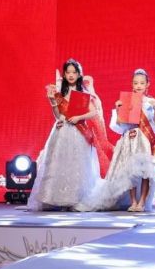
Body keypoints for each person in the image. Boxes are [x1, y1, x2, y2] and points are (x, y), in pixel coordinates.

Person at [77, 69, 155, 212]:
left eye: (142, 83)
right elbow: (118, 126)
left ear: (147, 84)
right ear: (132, 84)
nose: (138, 85)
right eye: (135, 83)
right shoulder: (126, 101)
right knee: (129, 172)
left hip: (145, 140)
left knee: (145, 172)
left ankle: (142, 202)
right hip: (129, 140)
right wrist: (119, 110)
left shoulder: (150, 102)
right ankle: (133, 201)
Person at [28, 59, 103, 211]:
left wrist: (79, 117)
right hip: (62, 131)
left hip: (78, 132)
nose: (71, 75)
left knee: (76, 165)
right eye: (68, 72)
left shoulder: (83, 93)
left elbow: (94, 112)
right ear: (64, 74)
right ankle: (58, 199)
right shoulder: (60, 93)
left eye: (74, 72)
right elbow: (58, 116)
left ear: (79, 74)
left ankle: (75, 199)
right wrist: (52, 102)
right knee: (59, 164)